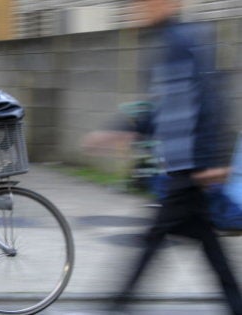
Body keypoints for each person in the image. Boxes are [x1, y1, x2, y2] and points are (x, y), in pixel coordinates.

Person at [83, 0, 242, 314]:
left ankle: (116, 306)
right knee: (209, 249)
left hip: (190, 167)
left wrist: (216, 159)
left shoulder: (184, 41)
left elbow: (211, 99)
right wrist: (120, 130)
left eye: (146, 2)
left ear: (169, 3)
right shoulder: (167, 43)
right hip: (184, 168)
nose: (140, 8)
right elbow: (163, 109)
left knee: (152, 243)